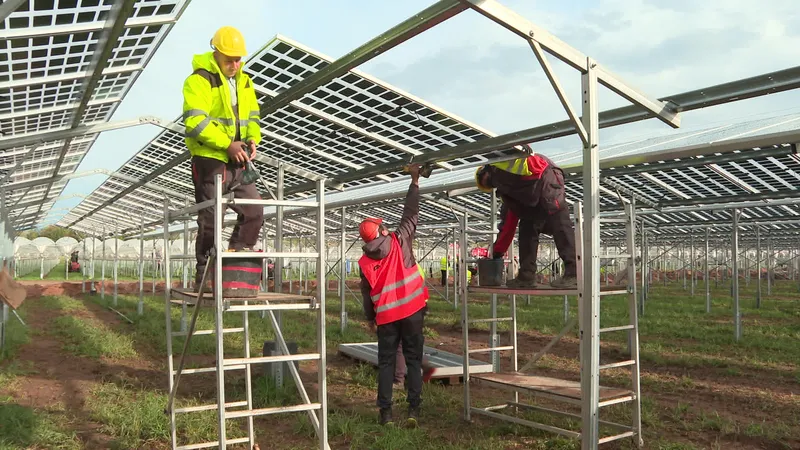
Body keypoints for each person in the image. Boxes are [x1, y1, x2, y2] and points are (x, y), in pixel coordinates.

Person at [182, 26, 264, 288]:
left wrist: (253, 139)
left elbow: (252, 117)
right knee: (211, 218)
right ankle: (204, 274)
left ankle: (237, 260)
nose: (235, 64)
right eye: (229, 59)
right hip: (210, 159)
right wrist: (227, 144)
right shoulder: (199, 80)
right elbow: (195, 122)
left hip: (239, 160)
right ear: (215, 52)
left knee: (254, 210)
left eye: (239, 58)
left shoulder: (245, 81)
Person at [358, 164, 429, 427]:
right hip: (412, 311)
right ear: (381, 231)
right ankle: (413, 410)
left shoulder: (364, 262)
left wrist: (369, 318)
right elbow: (411, 213)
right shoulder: (399, 241)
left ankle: (386, 414)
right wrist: (414, 180)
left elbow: (367, 296)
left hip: (386, 316)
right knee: (413, 360)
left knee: (386, 363)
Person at [475, 148, 577, 288]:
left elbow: (513, 145)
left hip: (547, 176)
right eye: (489, 185)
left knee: (559, 220)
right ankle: (526, 277)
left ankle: (574, 273)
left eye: (486, 182)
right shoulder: (507, 186)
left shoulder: (499, 163)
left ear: (485, 171)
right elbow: (508, 225)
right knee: (527, 227)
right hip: (533, 189)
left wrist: (497, 252)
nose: (490, 184)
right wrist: (498, 251)